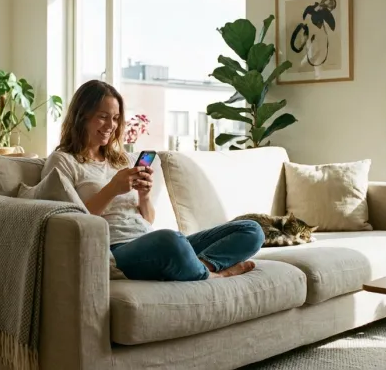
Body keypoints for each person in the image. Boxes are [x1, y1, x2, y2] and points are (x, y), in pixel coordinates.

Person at [42, 80, 265, 281]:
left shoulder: (120, 160)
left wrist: (144, 196)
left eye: (116, 118)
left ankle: (201, 267)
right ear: (82, 115)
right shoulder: (63, 161)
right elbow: (69, 224)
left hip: (147, 240)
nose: (111, 125)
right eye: (103, 116)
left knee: (252, 230)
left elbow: (147, 220)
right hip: (115, 250)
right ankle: (214, 275)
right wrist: (112, 189)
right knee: (171, 241)